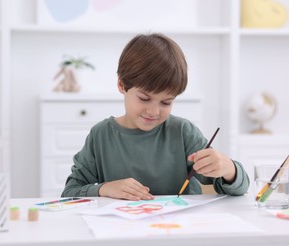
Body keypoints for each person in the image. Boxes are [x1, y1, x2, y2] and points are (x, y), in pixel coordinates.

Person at [61, 33, 249, 201]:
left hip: (179, 231)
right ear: (121, 85)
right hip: (122, 233)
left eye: (166, 102)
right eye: (144, 98)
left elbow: (240, 187)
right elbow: (70, 192)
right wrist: (105, 189)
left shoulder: (183, 132)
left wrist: (229, 169)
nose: (153, 111)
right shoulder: (100, 135)